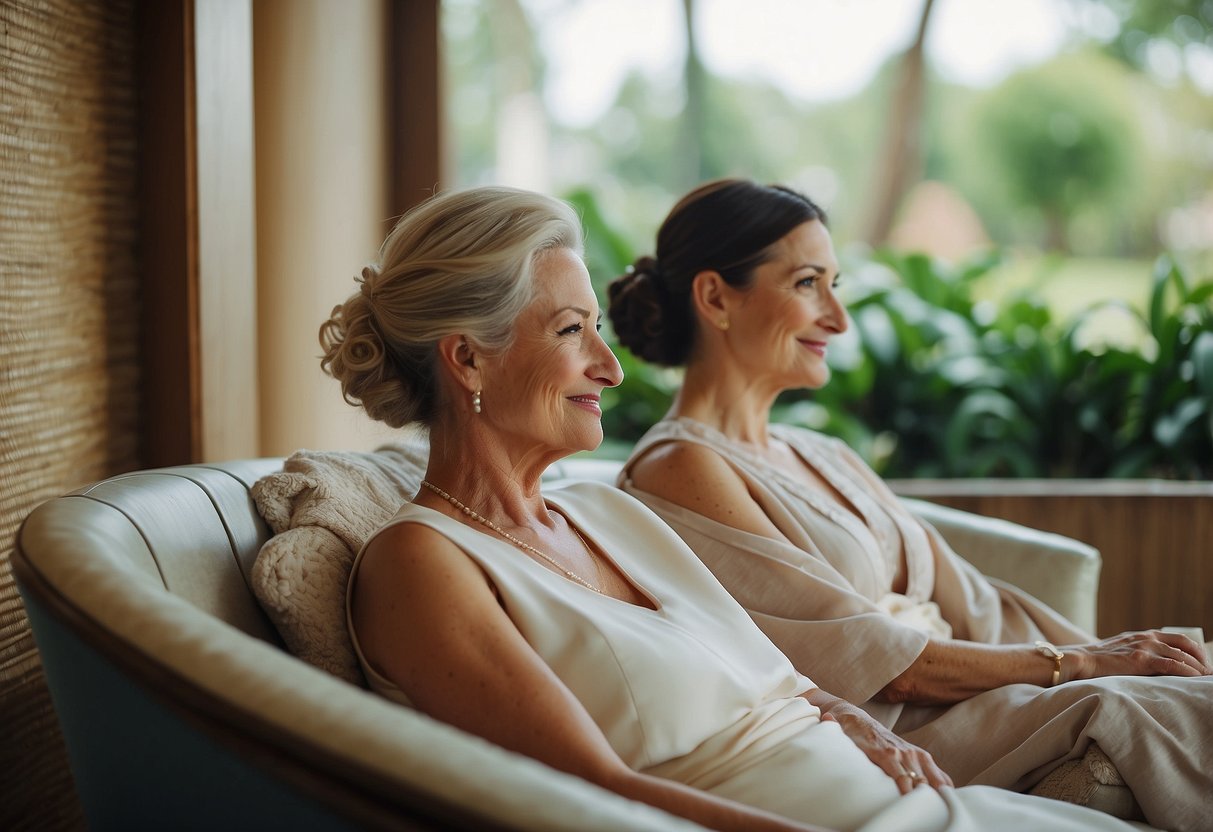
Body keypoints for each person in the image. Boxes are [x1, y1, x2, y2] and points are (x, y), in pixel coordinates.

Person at [321, 184, 1147, 832]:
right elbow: (597, 797)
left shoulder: (603, 513)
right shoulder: (421, 562)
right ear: (467, 359)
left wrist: (864, 731)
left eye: (597, 328)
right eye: (572, 331)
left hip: (917, 806)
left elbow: (793, 684)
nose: (610, 368)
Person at [607, 177, 1213, 832]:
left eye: (834, 284)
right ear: (715, 297)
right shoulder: (680, 467)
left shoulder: (819, 451)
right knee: (1156, 708)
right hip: (899, 733)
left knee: (1188, 675)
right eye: (808, 284)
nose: (837, 319)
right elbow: (875, 663)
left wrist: (1118, 652)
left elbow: (977, 603)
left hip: (982, 694)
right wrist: (1083, 665)